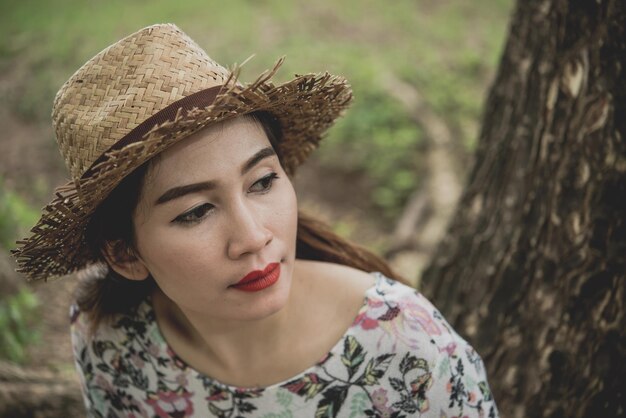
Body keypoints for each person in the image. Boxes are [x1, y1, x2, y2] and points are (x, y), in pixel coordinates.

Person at [13, 24, 498, 417]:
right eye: (196, 211)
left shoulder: (407, 348)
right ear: (125, 253)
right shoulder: (112, 340)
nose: (252, 237)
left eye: (262, 182)